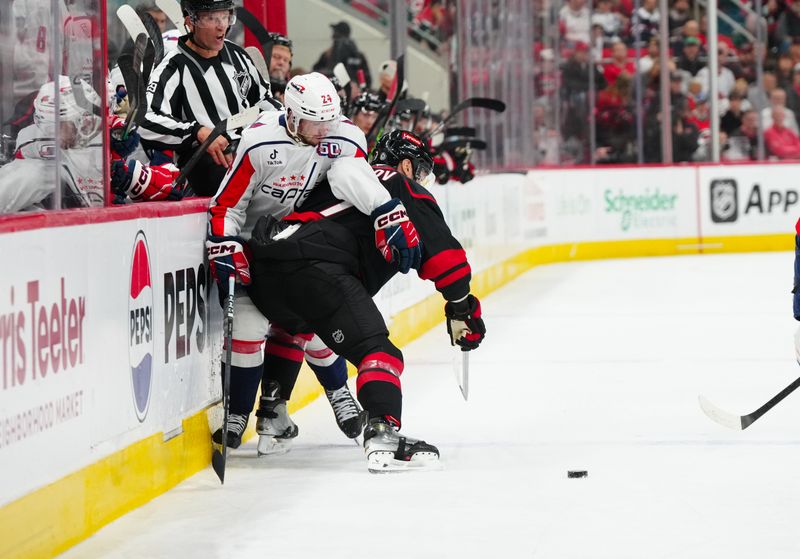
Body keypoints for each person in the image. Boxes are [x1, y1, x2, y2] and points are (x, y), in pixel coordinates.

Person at [245, 130, 486, 471]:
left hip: (265, 268)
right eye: (420, 171)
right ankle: (382, 431)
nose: (422, 181)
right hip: (315, 267)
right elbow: (445, 257)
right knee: (378, 352)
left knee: (296, 325)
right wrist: (462, 306)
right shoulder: (401, 186)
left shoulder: (334, 178)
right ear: (405, 165)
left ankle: (273, 414)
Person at [206, 72, 423, 450]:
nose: (323, 130)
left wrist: (387, 211)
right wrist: (225, 242)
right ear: (290, 115)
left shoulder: (346, 137)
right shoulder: (259, 142)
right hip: (254, 250)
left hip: (304, 247)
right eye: (313, 122)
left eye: (328, 121)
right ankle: (239, 412)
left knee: (324, 316)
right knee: (246, 329)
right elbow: (227, 205)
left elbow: (356, 182)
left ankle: (337, 392)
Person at [139, 0, 280, 196]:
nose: (222, 25)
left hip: (254, 152)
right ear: (190, 21)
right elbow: (144, 121)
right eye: (211, 18)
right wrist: (197, 131)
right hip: (209, 166)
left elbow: (264, 101)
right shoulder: (173, 66)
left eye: (225, 16)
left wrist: (286, 120)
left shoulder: (238, 55)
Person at [312, 21, 371, 93]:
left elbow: (316, 72)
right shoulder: (359, 56)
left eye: (334, 32)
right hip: (355, 92)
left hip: (336, 92)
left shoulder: (329, 54)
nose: (332, 36)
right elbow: (367, 79)